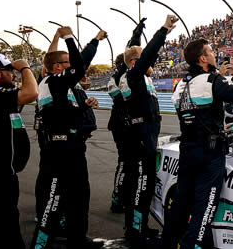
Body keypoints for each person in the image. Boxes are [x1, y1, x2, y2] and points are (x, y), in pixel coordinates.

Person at [160, 39, 233, 249]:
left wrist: (216, 127)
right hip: (209, 155)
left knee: (180, 207)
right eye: (210, 51)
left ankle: (168, 244)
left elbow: (196, 116)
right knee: (204, 209)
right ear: (203, 58)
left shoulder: (180, 85)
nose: (214, 53)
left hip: (187, 151)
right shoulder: (211, 81)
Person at [31, 26, 106, 249]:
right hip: (59, 148)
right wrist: (69, 39)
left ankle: (77, 239)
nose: (71, 66)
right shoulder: (52, 82)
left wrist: (83, 104)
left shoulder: (64, 86)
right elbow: (79, 66)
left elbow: (62, 111)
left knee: (80, 195)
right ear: (57, 67)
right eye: (67, 63)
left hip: (73, 146)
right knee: (54, 198)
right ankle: (41, 242)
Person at [120, 15, 177, 245]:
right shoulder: (134, 75)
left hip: (147, 135)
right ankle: (135, 231)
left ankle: (139, 227)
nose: (152, 62)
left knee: (145, 185)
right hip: (140, 137)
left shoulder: (141, 77)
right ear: (137, 60)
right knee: (140, 186)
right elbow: (149, 53)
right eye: (144, 58)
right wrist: (162, 30)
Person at [0, 54, 37, 249]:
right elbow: (30, 93)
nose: (13, 75)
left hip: (8, 172)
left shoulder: (3, 94)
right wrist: (24, 67)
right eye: (8, 71)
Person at [107, 18, 144, 213]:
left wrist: (136, 34)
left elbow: (131, 49)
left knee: (131, 162)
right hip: (121, 124)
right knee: (125, 161)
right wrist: (135, 35)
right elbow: (130, 49)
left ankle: (126, 195)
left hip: (126, 122)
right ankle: (117, 198)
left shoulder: (122, 75)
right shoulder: (118, 76)